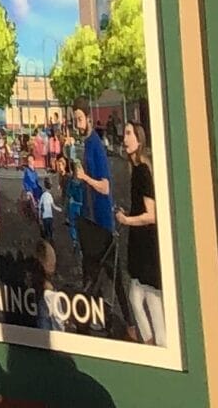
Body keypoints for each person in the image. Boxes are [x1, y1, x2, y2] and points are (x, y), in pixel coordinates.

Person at [115, 120, 162, 345]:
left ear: (139, 139)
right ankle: (150, 340)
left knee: (149, 297)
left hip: (146, 245)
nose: (124, 139)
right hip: (139, 244)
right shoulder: (136, 169)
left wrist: (127, 219)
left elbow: (151, 215)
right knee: (138, 297)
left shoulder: (143, 171)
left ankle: (156, 342)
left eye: (128, 134)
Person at [75, 115, 119, 311]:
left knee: (108, 273)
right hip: (90, 219)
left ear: (89, 119)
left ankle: (126, 322)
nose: (77, 124)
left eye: (79, 119)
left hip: (101, 223)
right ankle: (93, 314)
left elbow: (105, 187)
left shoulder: (96, 146)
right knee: (91, 272)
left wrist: (85, 177)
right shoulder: (85, 145)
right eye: (74, 120)